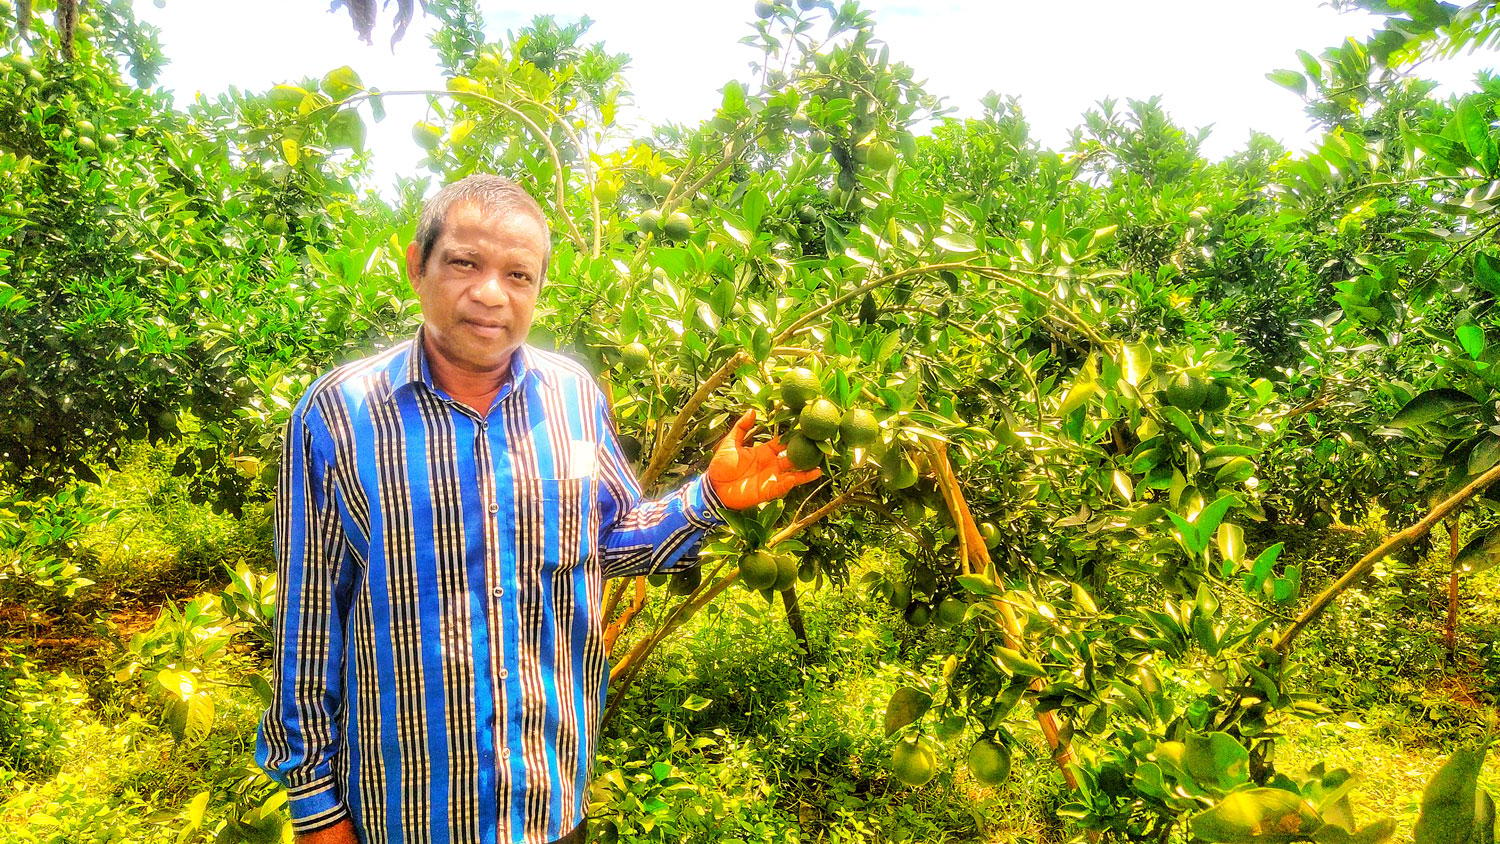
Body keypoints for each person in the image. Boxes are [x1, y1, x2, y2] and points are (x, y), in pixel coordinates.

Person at [255, 175, 820, 844]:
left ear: (538, 288)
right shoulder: (338, 415)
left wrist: (712, 497)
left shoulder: (572, 397)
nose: (491, 293)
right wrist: (317, 810)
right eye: (465, 263)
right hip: (404, 812)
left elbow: (604, 542)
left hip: (548, 805)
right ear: (418, 265)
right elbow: (310, 621)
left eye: (518, 274)